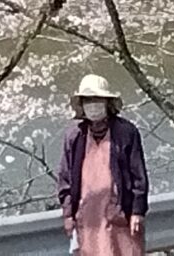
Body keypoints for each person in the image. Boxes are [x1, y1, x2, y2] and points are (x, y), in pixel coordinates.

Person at [58, 74, 148, 256]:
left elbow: (138, 175)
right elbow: (65, 178)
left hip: (120, 213)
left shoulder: (126, 132)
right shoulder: (75, 136)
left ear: (107, 102)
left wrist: (137, 211)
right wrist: (68, 214)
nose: (93, 105)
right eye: (88, 100)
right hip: (87, 217)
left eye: (97, 99)